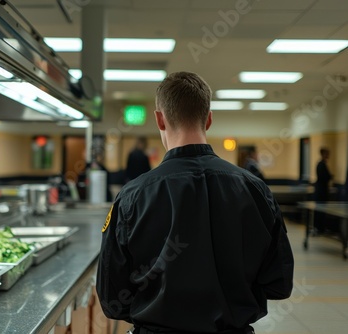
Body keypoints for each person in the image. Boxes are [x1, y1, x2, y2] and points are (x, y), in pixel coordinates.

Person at [97, 71, 294, 334]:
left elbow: (112, 301)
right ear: (209, 118)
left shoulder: (133, 195)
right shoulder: (255, 189)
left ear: (160, 118)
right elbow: (278, 284)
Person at [313, 147, 333, 232]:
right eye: (327, 153)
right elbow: (324, 177)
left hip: (321, 190)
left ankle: (320, 227)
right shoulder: (321, 164)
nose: (328, 155)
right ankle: (319, 227)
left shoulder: (321, 164)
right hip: (321, 191)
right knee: (320, 209)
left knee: (321, 210)